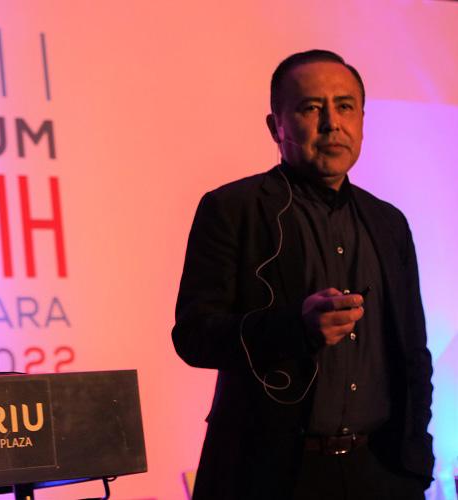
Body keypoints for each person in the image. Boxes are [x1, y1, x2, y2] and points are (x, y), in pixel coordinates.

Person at [172, 49, 434, 500]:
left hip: (382, 473)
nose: (332, 124)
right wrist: (295, 327)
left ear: (362, 120)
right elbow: (193, 337)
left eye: (345, 106)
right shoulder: (231, 209)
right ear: (275, 126)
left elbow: (413, 351)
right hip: (274, 477)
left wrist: (416, 461)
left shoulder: (389, 222)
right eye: (311, 108)